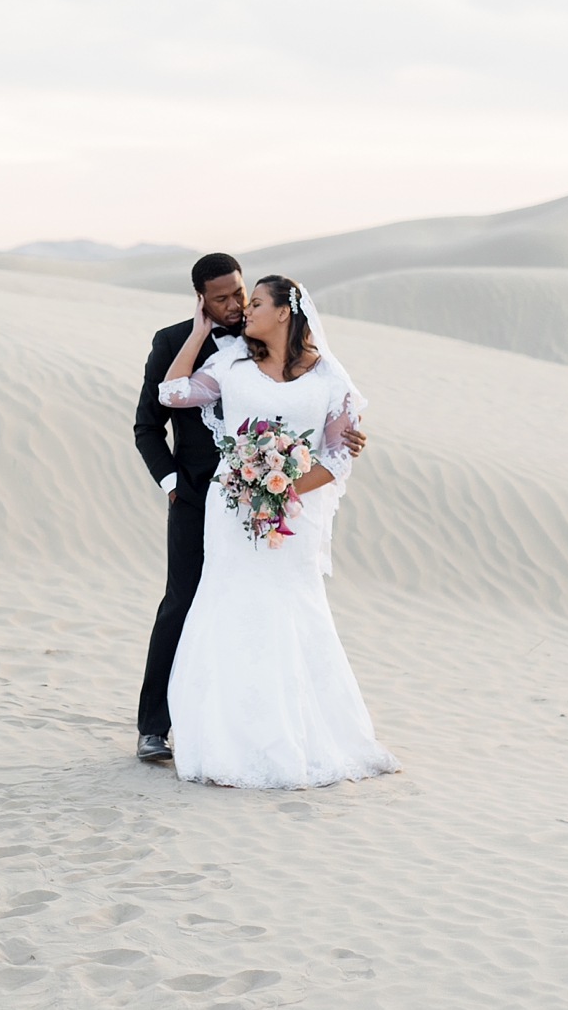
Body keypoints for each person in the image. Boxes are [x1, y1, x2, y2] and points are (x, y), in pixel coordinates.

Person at [152, 274, 398, 789]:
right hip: (232, 511)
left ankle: (299, 735)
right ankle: (224, 737)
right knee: (229, 607)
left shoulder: (329, 376)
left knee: (291, 611)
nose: (246, 309)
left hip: (295, 514)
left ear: (285, 311)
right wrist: (198, 332)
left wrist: (284, 488)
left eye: (257, 302)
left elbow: (337, 456)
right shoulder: (230, 366)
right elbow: (172, 392)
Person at [130, 253, 248, 763]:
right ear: (201, 297)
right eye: (220, 298)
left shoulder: (262, 335)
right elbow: (147, 425)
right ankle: (153, 727)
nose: (234, 305)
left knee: (246, 605)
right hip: (195, 498)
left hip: (252, 500)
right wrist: (174, 483)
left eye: (238, 293)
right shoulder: (172, 340)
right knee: (181, 602)